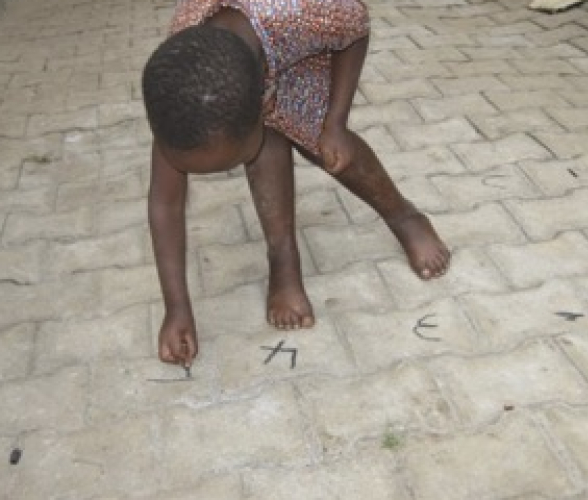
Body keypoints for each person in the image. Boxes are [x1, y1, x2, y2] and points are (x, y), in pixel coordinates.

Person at [142, 0, 450, 367]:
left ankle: (404, 216)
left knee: (324, 143)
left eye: (234, 162)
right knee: (269, 135)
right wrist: (176, 308)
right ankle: (283, 258)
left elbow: (356, 29)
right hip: (255, 58)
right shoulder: (183, 79)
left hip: (297, 37)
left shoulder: (308, 11)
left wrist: (336, 122)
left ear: (263, 101)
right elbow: (165, 204)